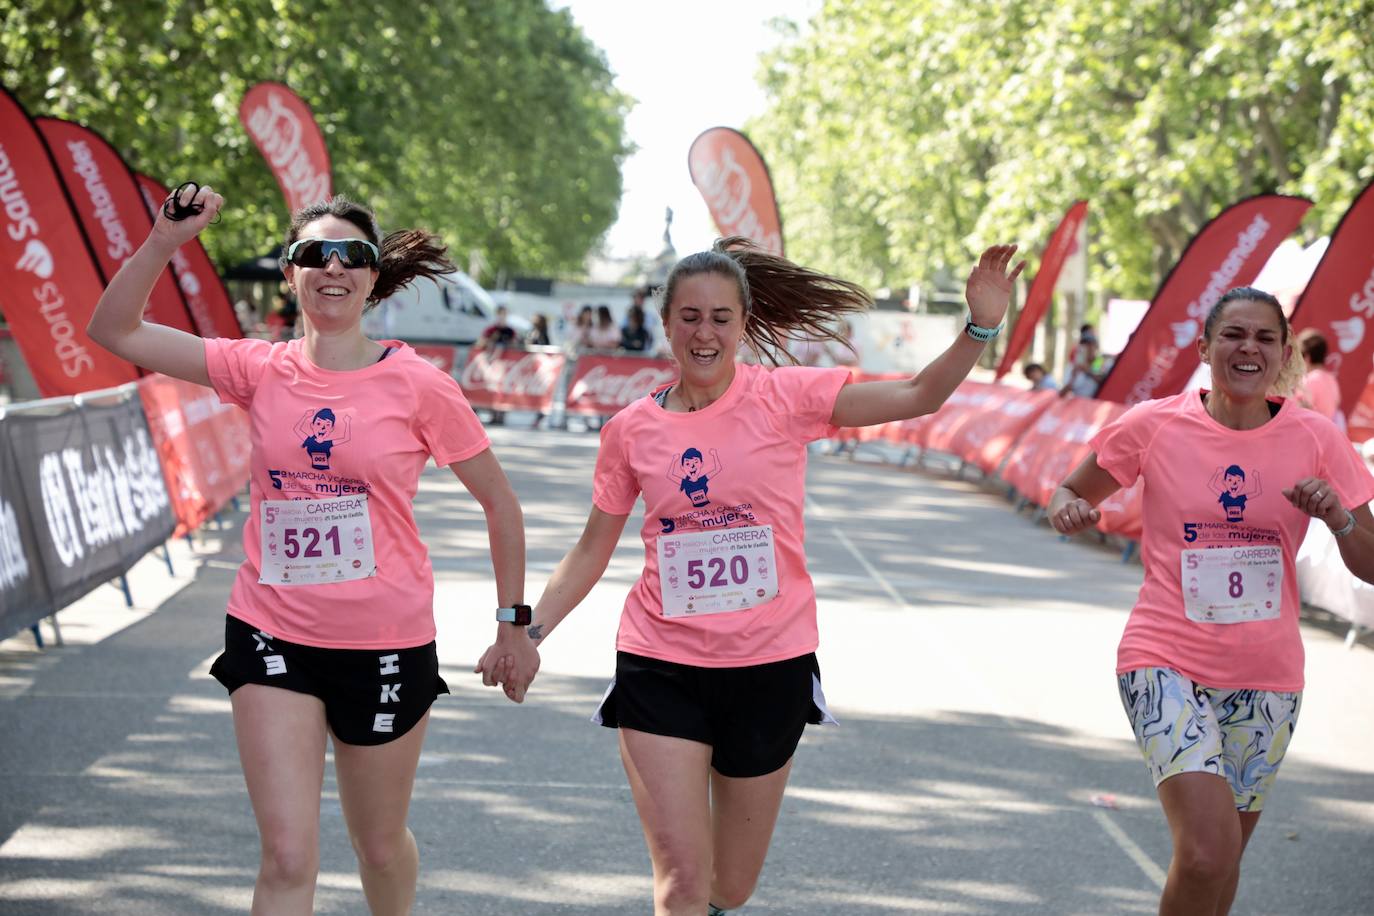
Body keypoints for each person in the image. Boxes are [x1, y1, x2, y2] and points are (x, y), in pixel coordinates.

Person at [476, 236, 1023, 915]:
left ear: (743, 322)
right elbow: (591, 549)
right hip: (660, 664)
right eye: (690, 317)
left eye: (720, 318)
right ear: (667, 321)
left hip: (770, 667)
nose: (704, 333)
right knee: (679, 881)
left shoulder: (785, 397)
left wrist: (980, 326)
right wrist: (524, 630)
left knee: (726, 887)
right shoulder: (630, 431)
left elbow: (918, 394)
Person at [87, 185, 534, 915]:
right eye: (313, 254)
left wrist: (512, 624)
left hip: (385, 640)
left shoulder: (421, 386)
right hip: (272, 632)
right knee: (288, 855)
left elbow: (501, 505)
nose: (333, 267)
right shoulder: (257, 368)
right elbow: (114, 329)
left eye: (352, 255)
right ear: (291, 274)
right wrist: (165, 241)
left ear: (373, 275)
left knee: (380, 846)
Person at [1047, 286, 1374, 916]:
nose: (1248, 348)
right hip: (1165, 657)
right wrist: (1071, 510)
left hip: (1269, 676)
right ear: (1205, 348)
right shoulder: (1154, 424)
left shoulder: (1316, 438)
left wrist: (1336, 516)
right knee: (1204, 854)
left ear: (1282, 355)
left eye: (1264, 338)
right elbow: (1066, 488)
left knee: (1221, 865)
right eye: (1233, 335)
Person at [1295, 328, 1346, 429]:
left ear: (1307, 358)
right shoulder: (1332, 380)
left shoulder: (1309, 381)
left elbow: (1298, 412)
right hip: (1323, 435)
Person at [1061, 331, 1105, 397]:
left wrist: (1087, 370)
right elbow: (1062, 394)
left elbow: (1101, 380)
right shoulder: (1072, 365)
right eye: (1084, 345)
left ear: (1096, 346)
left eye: (1090, 345)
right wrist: (1072, 378)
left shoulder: (1099, 361)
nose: (1088, 348)